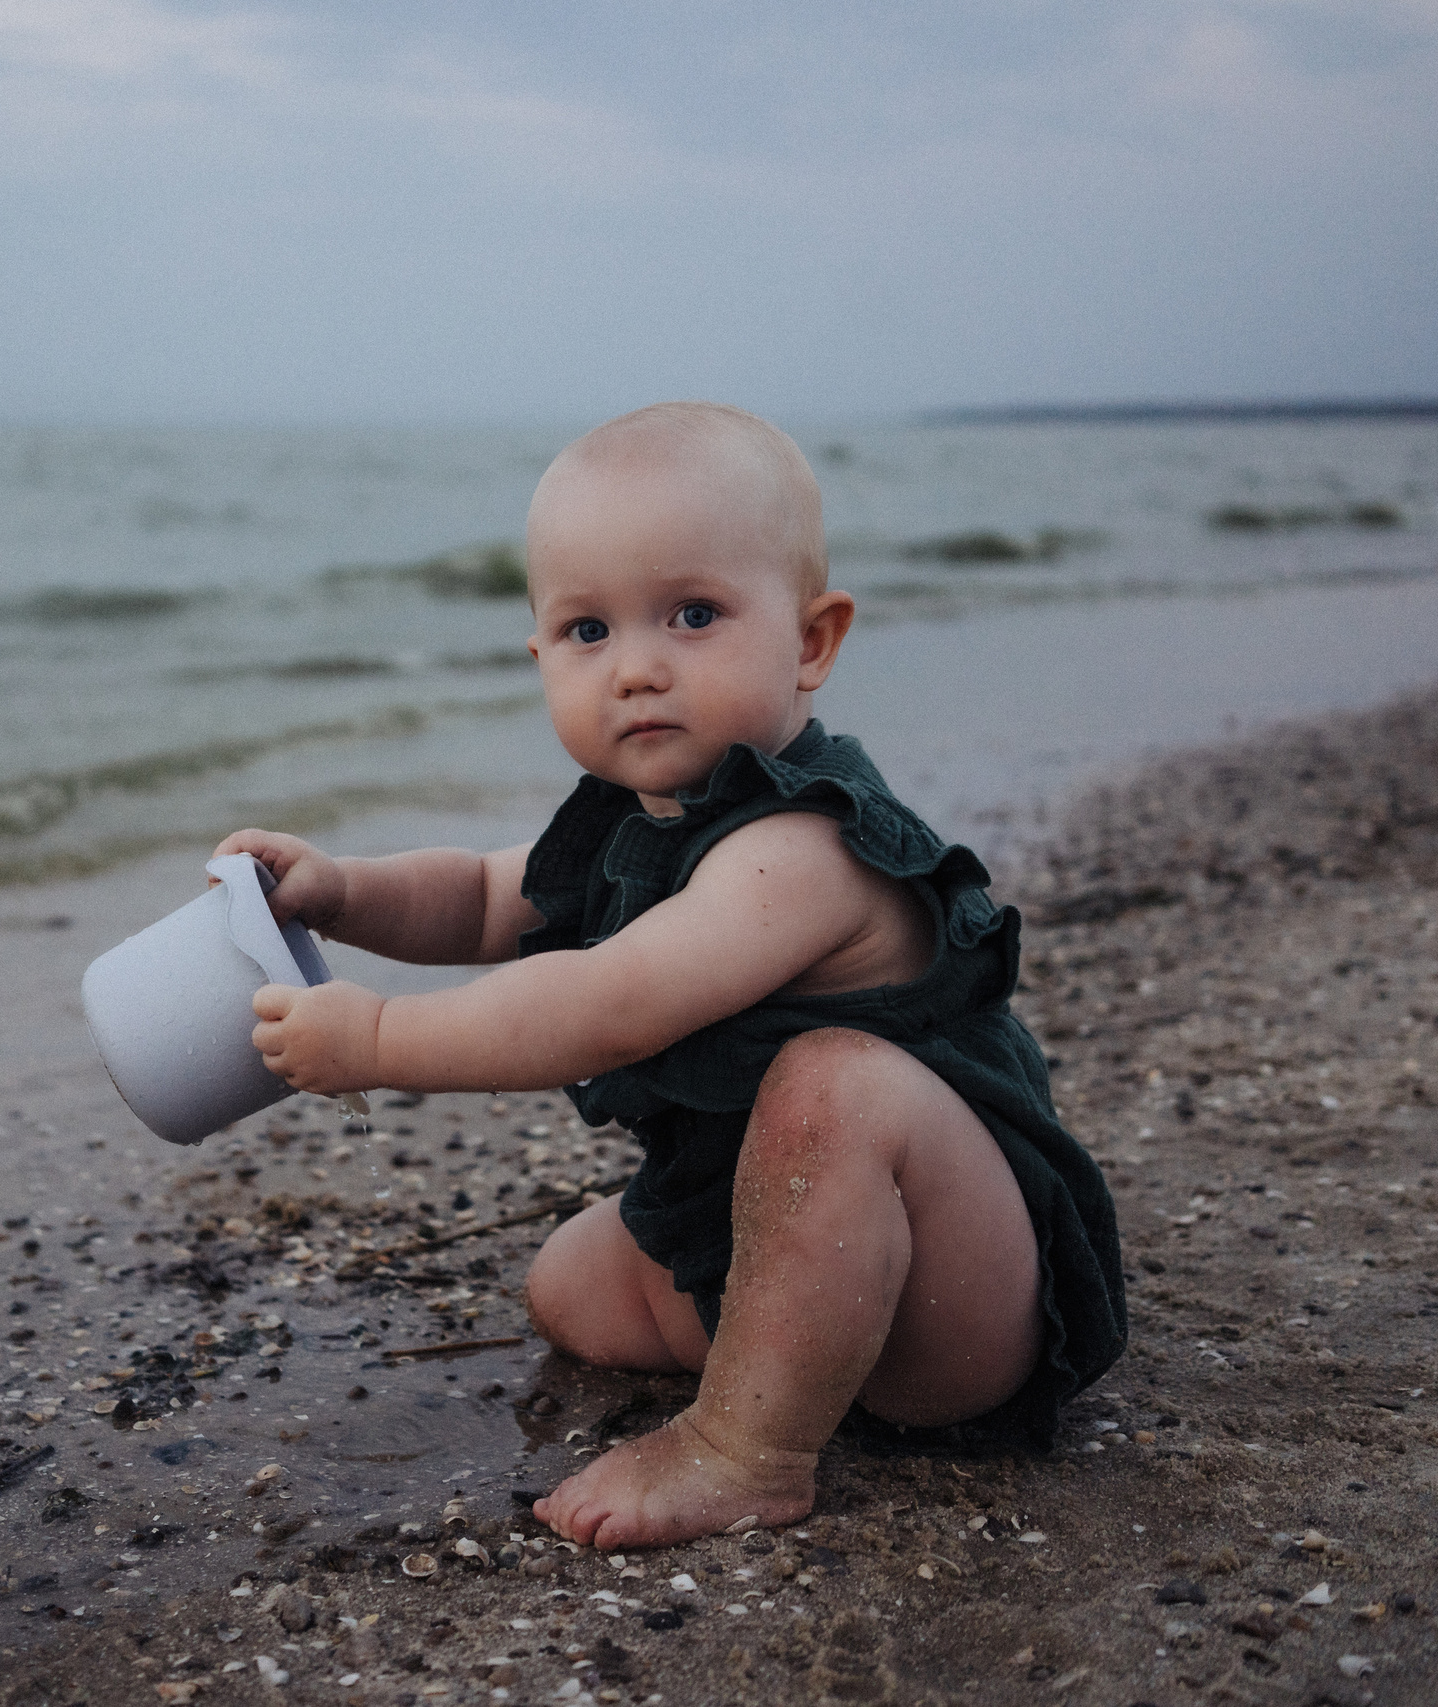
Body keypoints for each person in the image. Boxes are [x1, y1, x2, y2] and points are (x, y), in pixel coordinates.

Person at [213, 401, 1124, 1550]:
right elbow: (494, 898)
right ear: (538, 654)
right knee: (568, 1290)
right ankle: (787, 1348)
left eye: (692, 615)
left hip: (958, 1297)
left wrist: (380, 1044)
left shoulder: (805, 848)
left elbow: (612, 1001)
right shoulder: (630, 820)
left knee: (833, 1083)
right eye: (588, 631)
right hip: (770, 1228)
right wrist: (341, 891)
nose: (638, 668)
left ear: (810, 641)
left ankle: (746, 1450)